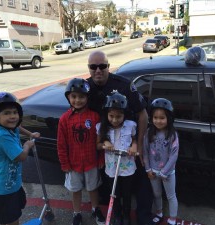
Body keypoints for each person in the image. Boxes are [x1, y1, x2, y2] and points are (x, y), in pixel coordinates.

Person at [86, 50, 153, 225]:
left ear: (108, 66)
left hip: (128, 145)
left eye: (102, 66)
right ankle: (115, 214)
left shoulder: (123, 85)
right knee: (109, 187)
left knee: (134, 185)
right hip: (105, 148)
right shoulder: (86, 88)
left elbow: (143, 115)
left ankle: (139, 216)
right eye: (93, 67)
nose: (98, 70)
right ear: (89, 68)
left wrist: (137, 144)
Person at [57, 78, 105, 225]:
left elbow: (100, 140)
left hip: (91, 162)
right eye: (74, 96)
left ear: (87, 98)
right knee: (75, 189)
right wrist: (64, 163)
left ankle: (95, 208)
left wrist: (101, 158)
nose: (78, 100)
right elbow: (61, 144)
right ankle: (76, 212)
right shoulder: (64, 119)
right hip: (73, 163)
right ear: (68, 97)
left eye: (82, 96)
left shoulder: (94, 117)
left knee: (93, 188)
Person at [0, 92, 40, 225]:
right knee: (10, 219)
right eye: (6, 113)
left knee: (15, 212)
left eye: (14, 112)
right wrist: (27, 145)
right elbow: (20, 157)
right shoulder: (1, 135)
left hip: (11, 183)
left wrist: (30, 133)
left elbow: (18, 127)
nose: (12, 117)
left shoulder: (9, 127)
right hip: (2, 189)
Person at [96, 91, 138, 225]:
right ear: (106, 114)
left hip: (127, 168)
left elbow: (134, 140)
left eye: (119, 116)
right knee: (114, 193)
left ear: (124, 115)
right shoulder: (102, 128)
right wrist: (104, 143)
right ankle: (117, 215)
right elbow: (97, 146)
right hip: (111, 167)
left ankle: (126, 215)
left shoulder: (130, 126)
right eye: (111, 116)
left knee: (127, 194)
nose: (114, 120)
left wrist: (134, 146)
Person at [143, 98, 179, 225]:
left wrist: (164, 172)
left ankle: (173, 218)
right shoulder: (149, 133)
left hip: (168, 172)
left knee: (171, 195)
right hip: (153, 171)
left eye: (162, 118)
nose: (158, 121)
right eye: (155, 117)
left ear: (169, 118)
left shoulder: (172, 135)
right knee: (156, 194)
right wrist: (147, 169)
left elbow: (174, 156)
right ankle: (159, 212)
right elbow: (145, 152)